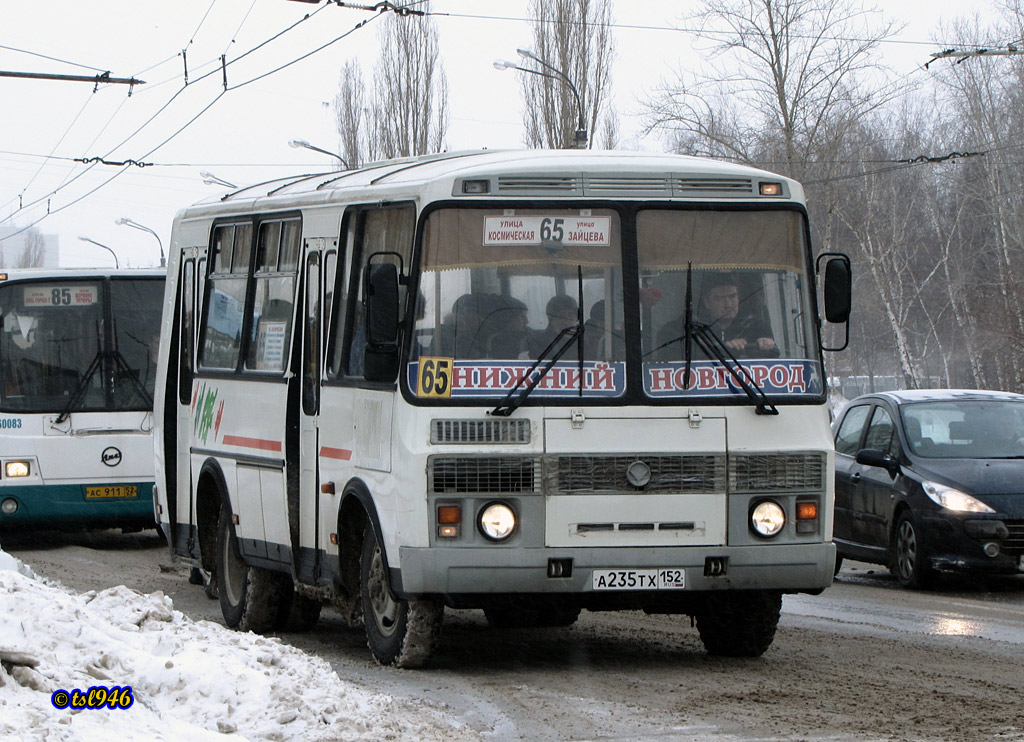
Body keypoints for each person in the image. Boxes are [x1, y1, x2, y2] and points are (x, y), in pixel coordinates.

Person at [656, 273, 777, 360]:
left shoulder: (755, 327)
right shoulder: (686, 328)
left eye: (732, 296)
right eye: (720, 298)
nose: (728, 304)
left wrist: (765, 345)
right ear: (707, 302)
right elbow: (673, 353)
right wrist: (725, 348)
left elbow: (774, 358)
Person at [527, 295, 579, 360]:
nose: (567, 319)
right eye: (561, 316)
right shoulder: (539, 342)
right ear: (551, 320)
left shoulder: (583, 340)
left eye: (570, 314)